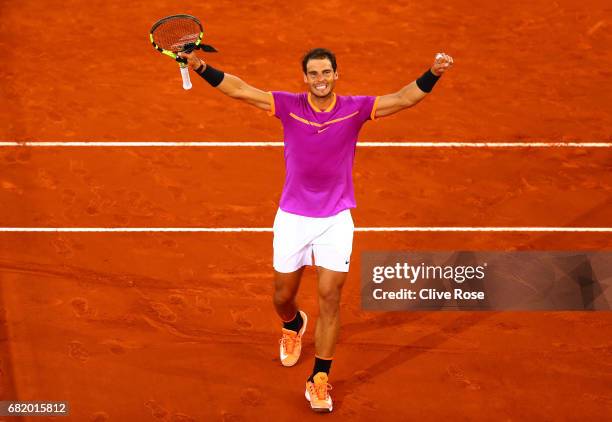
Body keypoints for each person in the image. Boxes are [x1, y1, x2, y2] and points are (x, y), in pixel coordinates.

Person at [179, 47, 453, 413]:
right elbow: (241, 90)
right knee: (281, 297)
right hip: (292, 218)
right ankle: (293, 324)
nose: (320, 79)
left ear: (336, 74)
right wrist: (201, 67)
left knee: (330, 296)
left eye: (326, 73)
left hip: (335, 220)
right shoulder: (288, 106)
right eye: (314, 74)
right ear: (305, 78)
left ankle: (319, 378)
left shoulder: (355, 109)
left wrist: (433, 72)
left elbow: (404, 98)